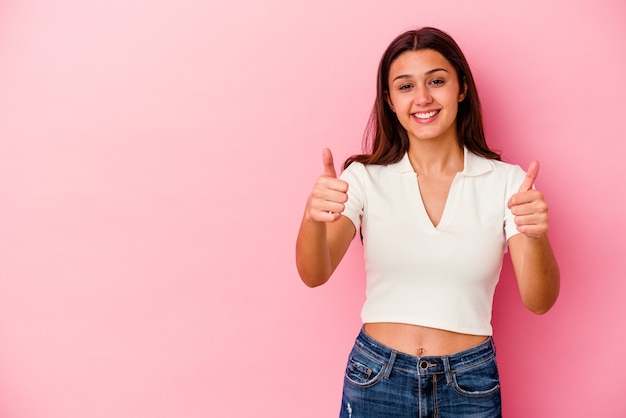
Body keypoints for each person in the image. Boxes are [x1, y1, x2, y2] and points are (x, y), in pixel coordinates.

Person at [295, 27, 559, 417]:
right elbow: (314, 274)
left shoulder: (507, 182)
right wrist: (312, 215)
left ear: (461, 88)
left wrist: (535, 236)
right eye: (405, 86)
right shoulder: (363, 179)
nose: (422, 98)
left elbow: (540, 301)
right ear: (390, 100)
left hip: (469, 382)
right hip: (376, 377)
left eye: (436, 81)